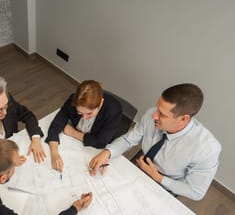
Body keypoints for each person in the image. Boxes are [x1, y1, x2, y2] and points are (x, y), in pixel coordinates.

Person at [89, 83, 221, 201]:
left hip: (166, 183)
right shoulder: (151, 114)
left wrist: (158, 177)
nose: (154, 116)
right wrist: (108, 152)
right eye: (157, 108)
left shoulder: (207, 149)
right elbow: (128, 140)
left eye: (162, 114)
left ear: (183, 119)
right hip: (142, 162)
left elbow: (195, 191)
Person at [46, 80, 122, 171]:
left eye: (89, 113)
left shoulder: (113, 110)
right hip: (79, 144)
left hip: (96, 150)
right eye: (80, 113)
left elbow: (100, 142)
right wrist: (54, 154)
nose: (85, 118)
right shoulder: (73, 100)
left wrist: (73, 133)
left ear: (101, 103)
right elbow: (56, 124)